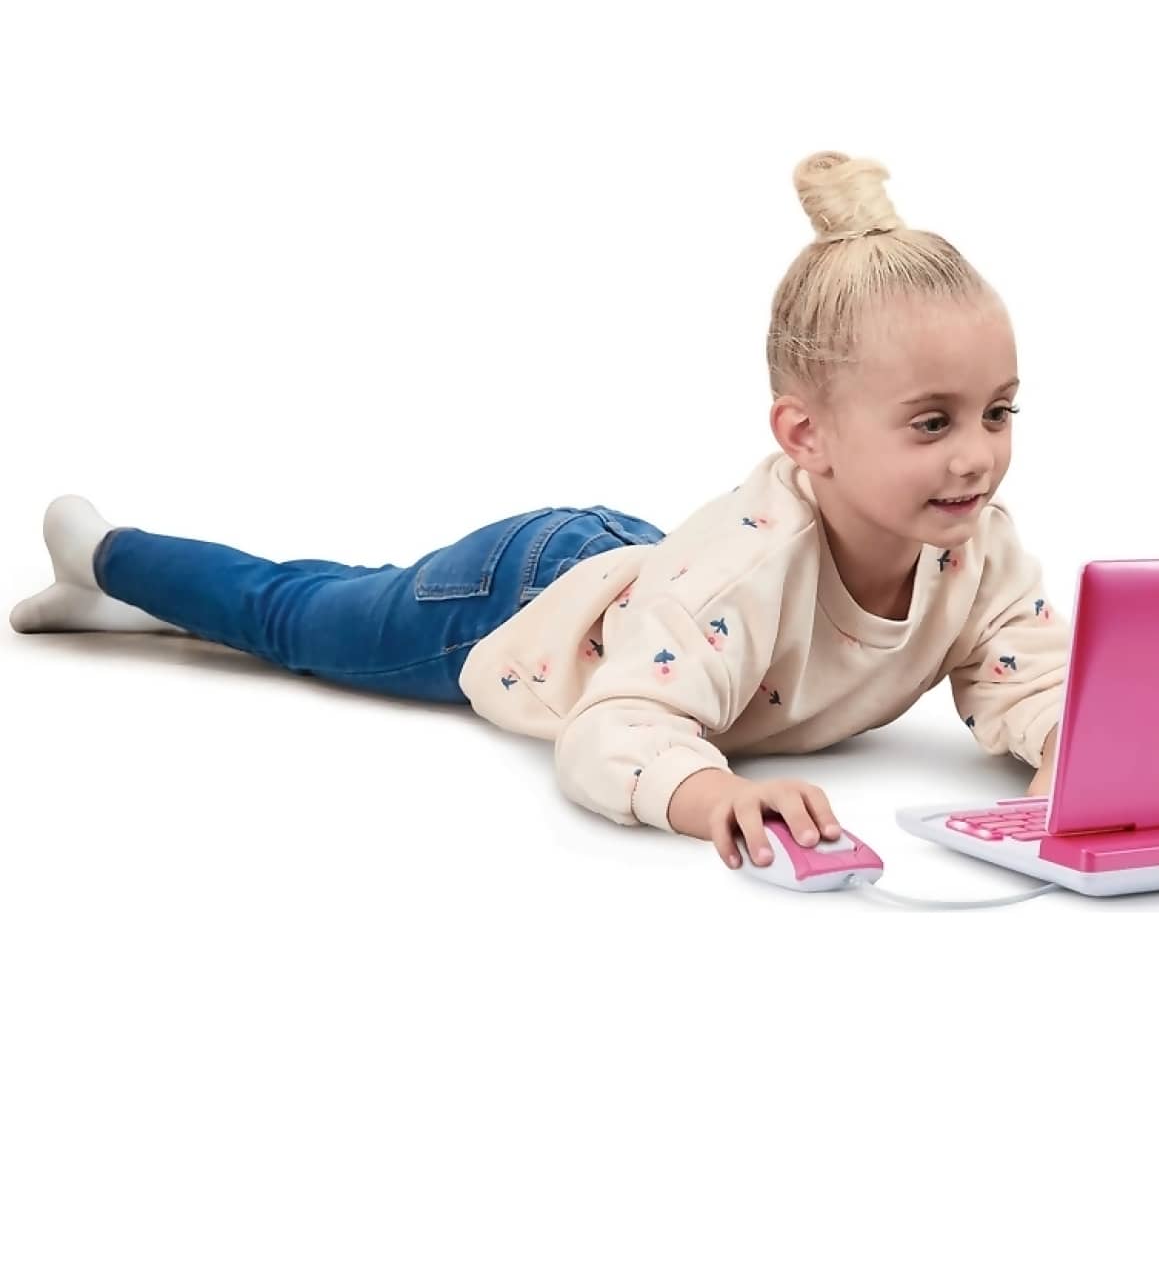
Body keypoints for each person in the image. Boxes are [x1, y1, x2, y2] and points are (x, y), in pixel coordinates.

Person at [10, 150, 1071, 874]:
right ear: (806, 437)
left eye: (999, 411)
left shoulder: (977, 546)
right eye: (931, 423)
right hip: (527, 600)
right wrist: (712, 799)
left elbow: (1024, 674)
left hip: (644, 578)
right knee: (308, 616)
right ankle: (106, 556)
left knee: (325, 608)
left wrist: (1077, 747)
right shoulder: (745, 578)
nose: (977, 456)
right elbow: (611, 730)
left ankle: (120, 599)